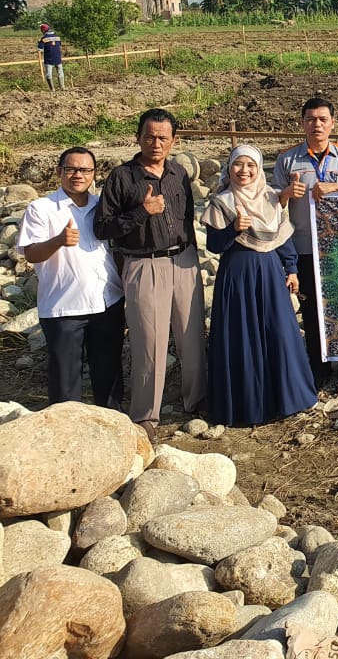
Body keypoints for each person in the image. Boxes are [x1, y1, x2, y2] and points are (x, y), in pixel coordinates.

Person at [94, 109, 206, 440]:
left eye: (162, 137)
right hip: (144, 264)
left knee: (191, 336)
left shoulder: (178, 173)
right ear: (138, 137)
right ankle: (146, 416)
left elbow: (187, 218)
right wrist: (142, 212)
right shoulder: (122, 177)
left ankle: (196, 399)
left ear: (174, 141)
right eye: (149, 136)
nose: (155, 143)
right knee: (148, 342)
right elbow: (102, 227)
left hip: (184, 261)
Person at [201, 145, 317, 425]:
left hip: (269, 273)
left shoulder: (270, 198)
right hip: (237, 275)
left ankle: (289, 398)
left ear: (258, 168)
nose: (244, 171)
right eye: (238, 165)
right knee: (241, 337)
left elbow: (282, 238)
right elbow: (214, 245)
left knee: (279, 331)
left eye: (250, 165)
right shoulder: (222, 202)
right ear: (229, 169)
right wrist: (234, 229)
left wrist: (291, 270)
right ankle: (249, 406)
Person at [273, 97, 338, 385]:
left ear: (332, 123)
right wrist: (285, 195)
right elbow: (271, 205)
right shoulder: (287, 159)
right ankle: (317, 368)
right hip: (304, 248)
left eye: (322, 119)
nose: (316, 124)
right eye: (311, 119)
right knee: (312, 308)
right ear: (302, 122)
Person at [18, 147, 124, 410]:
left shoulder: (104, 207)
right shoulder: (41, 209)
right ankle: (66, 439)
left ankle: (112, 431)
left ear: (94, 174)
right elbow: (31, 253)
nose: (78, 175)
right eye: (71, 169)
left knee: (109, 377)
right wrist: (58, 241)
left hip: (107, 302)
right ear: (59, 172)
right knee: (65, 384)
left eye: (85, 170)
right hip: (64, 308)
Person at [37, 22, 65, 90]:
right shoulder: (57, 37)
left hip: (49, 60)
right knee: (60, 73)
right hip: (58, 58)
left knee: (49, 75)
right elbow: (59, 45)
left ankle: (52, 89)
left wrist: (39, 43)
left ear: (43, 31)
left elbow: (39, 49)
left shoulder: (43, 39)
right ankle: (62, 87)